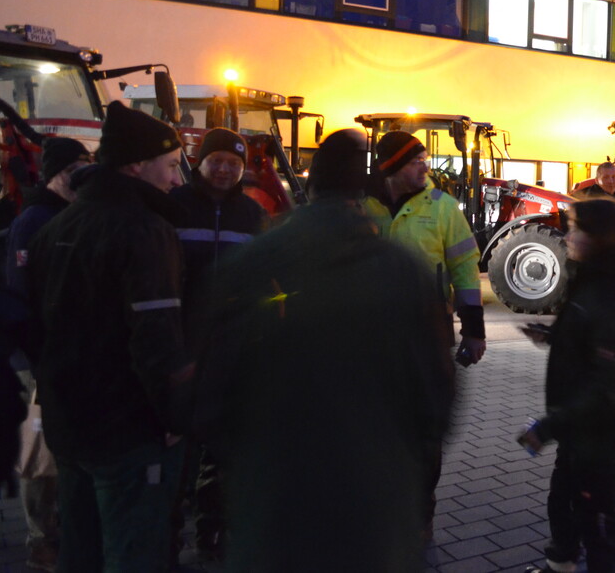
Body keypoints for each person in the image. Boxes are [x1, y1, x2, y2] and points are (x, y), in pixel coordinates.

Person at [193, 129, 454, 571]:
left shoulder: (256, 260)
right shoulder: (402, 270)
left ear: (310, 187)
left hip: (274, 504)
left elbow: (211, 386)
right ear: (360, 192)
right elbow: (437, 399)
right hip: (371, 509)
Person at [26, 101, 193, 572]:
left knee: (80, 550)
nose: (177, 179)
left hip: (69, 421)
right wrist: (175, 415)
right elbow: (155, 337)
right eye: (169, 165)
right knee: (133, 552)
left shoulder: (58, 225)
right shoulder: (145, 230)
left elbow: (34, 327)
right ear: (137, 164)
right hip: (129, 429)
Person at [518, 198, 615, 573]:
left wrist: (547, 426)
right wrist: (555, 336)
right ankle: (561, 563)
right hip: (582, 432)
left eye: (575, 228)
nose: (568, 235)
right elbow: (592, 346)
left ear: (600, 237)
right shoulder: (593, 278)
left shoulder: (607, 294)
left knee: (596, 522)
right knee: (564, 502)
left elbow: (607, 387)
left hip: (601, 437)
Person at [362, 130, 484, 538]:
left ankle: (421, 511)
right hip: (372, 337)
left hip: (427, 334)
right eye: (417, 161)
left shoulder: (443, 208)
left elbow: (466, 269)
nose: (426, 167)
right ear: (393, 167)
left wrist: (474, 330)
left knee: (425, 427)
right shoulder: (362, 206)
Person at [169, 128, 268, 562]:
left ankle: (213, 528)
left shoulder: (251, 214)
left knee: (223, 446)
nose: (226, 169)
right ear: (200, 162)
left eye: (235, 163)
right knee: (178, 446)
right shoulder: (173, 207)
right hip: (180, 345)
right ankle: (169, 531)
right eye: (218, 161)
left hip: (232, 347)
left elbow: (266, 280)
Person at [4, 136, 90, 571]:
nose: (80, 178)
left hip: (64, 355)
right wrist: (39, 354)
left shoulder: (73, 215)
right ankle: (40, 538)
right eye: (73, 171)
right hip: (39, 359)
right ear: (54, 173)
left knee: (58, 448)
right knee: (40, 451)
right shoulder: (35, 220)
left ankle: (56, 530)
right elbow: (21, 295)